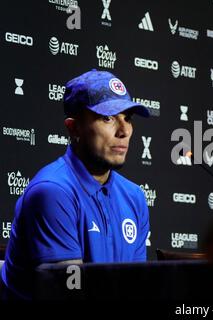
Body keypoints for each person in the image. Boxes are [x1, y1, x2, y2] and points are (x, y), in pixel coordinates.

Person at [0, 69, 151, 299]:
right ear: (73, 128)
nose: (124, 131)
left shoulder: (134, 197)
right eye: (108, 118)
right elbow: (70, 293)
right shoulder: (52, 191)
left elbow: (136, 289)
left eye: (127, 118)